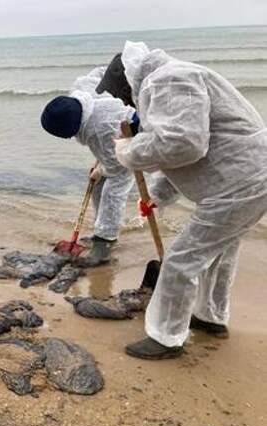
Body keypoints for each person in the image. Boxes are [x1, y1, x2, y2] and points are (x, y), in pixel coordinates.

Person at [97, 41, 267, 359]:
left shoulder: (166, 81)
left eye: (120, 94)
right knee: (219, 254)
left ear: (128, 81)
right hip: (249, 178)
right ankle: (210, 317)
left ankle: (167, 337)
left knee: (181, 260)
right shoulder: (174, 78)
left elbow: (183, 145)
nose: (123, 100)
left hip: (237, 184)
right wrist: (158, 196)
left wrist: (126, 151)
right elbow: (186, 154)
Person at [40, 67, 136, 266]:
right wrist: (114, 78)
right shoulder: (82, 90)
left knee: (113, 190)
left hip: (133, 135)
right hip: (113, 139)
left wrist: (100, 170)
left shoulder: (100, 130)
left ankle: (105, 241)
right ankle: (101, 229)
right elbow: (100, 73)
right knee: (97, 185)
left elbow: (119, 166)